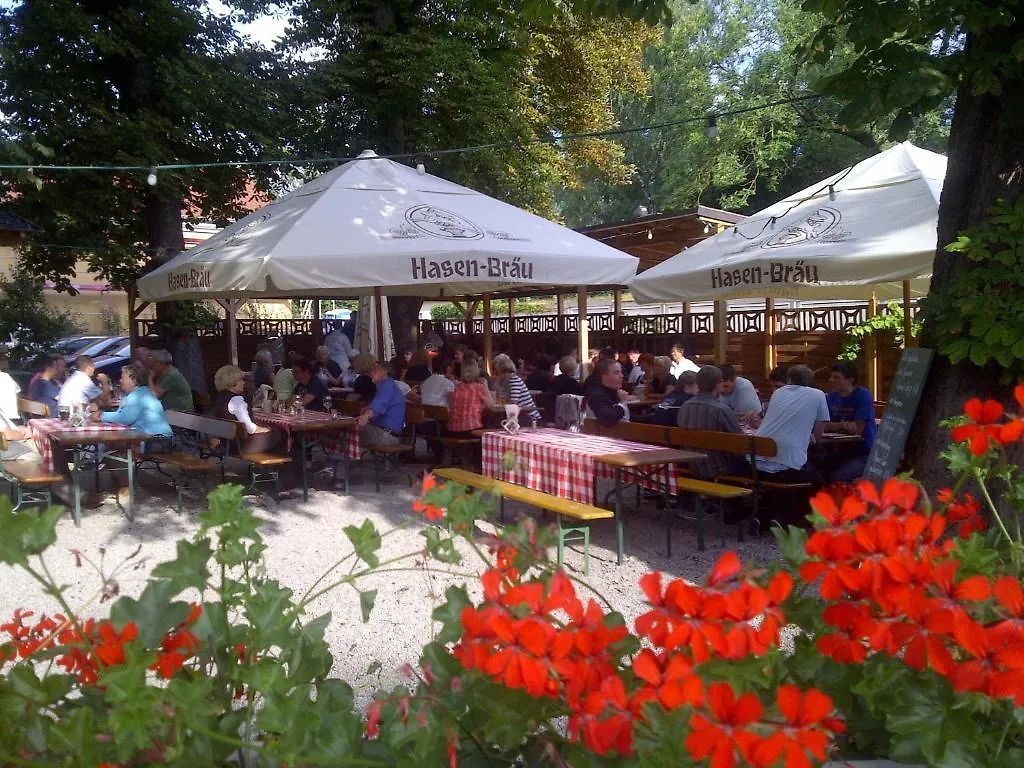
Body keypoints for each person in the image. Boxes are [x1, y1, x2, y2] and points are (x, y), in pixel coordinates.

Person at [753, 364, 829, 524]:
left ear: (788, 379)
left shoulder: (778, 393)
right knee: (818, 481)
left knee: (785, 472)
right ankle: (788, 519)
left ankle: (764, 517)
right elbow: (819, 433)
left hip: (756, 460)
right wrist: (811, 437)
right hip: (785, 463)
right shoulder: (818, 394)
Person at [677, 366, 748, 479]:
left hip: (692, 466)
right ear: (718, 383)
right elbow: (741, 443)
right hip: (719, 468)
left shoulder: (685, 406)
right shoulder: (721, 409)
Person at [97, 364, 173, 453]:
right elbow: (121, 415)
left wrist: (100, 415)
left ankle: (100, 463)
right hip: (155, 439)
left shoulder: (139, 395)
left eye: (123, 378)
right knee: (111, 443)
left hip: (157, 442)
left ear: (133, 380)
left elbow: (124, 419)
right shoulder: (138, 393)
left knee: (112, 443)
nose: (120, 380)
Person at [821, 361, 877, 481]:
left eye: (836, 377)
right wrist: (842, 425)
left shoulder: (863, 396)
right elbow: (822, 425)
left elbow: (857, 429)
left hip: (864, 453)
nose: (831, 380)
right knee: (818, 472)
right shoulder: (831, 397)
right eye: (831, 376)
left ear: (850, 380)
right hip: (839, 451)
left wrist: (833, 426)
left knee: (838, 478)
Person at [212, 365, 277, 453]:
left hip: (226, 443)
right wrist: (266, 429)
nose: (243, 383)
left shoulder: (221, 398)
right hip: (240, 446)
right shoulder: (236, 400)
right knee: (279, 435)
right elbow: (250, 428)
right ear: (232, 382)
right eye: (240, 380)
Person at [356, 362, 407, 446]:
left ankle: (338, 457)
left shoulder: (387, 385)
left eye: (375, 370)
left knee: (348, 432)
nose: (371, 373)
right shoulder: (384, 386)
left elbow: (378, 405)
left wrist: (366, 416)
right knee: (349, 431)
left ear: (385, 373)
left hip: (386, 435)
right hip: (382, 432)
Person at [447, 361, 493, 436]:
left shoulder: (457, 387)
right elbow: (491, 406)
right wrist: (485, 386)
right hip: (470, 429)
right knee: (493, 424)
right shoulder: (478, 388)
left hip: (453, 429)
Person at [492, 353, 540, 423]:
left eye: (498, 373)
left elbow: (513, 403)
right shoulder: (507, 381)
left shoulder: (514, 380)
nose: (497, 375)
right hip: (519, 415)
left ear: (505, 372)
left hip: (529, 417)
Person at [584, 357, 630, 427]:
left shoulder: (611, 392)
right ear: (604, 376)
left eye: (621, 372)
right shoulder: (597, 395)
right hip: (610, 436)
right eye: (617, 373)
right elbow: (607, 418)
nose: (622, 376)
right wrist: (623, 403)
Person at [0, 347, 22, 424]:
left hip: (5, 424)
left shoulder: (5, 377)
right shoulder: (6, 376)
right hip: (14, 422)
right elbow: (17, 392)